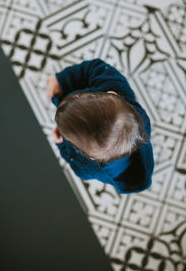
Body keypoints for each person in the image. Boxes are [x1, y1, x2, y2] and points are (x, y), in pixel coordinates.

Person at [46, 58, 154, 194]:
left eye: (78, 96)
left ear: (89, 157)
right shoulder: (115, 86)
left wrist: (61, 145)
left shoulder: (87, 168)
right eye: (83, 97)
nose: (77, 96)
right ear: (112, 94)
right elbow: (94, 67)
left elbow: (72, 160)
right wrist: (62, 79)